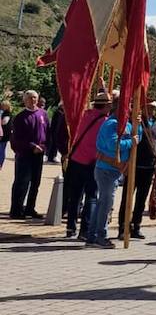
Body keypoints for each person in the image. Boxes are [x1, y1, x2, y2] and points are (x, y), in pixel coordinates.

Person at [65, 90, 111, 239]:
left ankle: (70, 227)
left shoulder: (85, 115)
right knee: (91, 196)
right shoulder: (105, 122)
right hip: (92, 162)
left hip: (76, 160)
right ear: (105, 106)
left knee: (75, 196)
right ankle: (84, 230)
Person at [86, 109, 133, 248]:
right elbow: (113, 145)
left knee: (103, 203)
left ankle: (92, 235)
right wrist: (131, 142)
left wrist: (138, 125)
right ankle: (101, 236)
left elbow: (138, 136)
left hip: (116, 171)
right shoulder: (111, 124)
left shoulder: (128, 125)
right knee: (106, 204)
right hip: (106, 170)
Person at [117, 108, 156, 241]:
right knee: (127, 198)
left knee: (141, 199)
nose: (152, 110)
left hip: (149, 166)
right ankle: (123, 227)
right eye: (150, 107)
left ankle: (136, 225)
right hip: (135, 165)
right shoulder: (137, 123)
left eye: (154, 108)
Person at [9, 90, 49, 219]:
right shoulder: (20, 117)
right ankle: (16, 210)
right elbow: (16, 139)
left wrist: (45, 145)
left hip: (39, 154)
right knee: (22, 182)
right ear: (25, 100)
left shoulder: (43, 114)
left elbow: (47, 132)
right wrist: (32, 146)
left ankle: (30, 208)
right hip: (24, 155)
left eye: (35, 98)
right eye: (30, 98)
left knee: (35, 182)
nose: (33, 100)